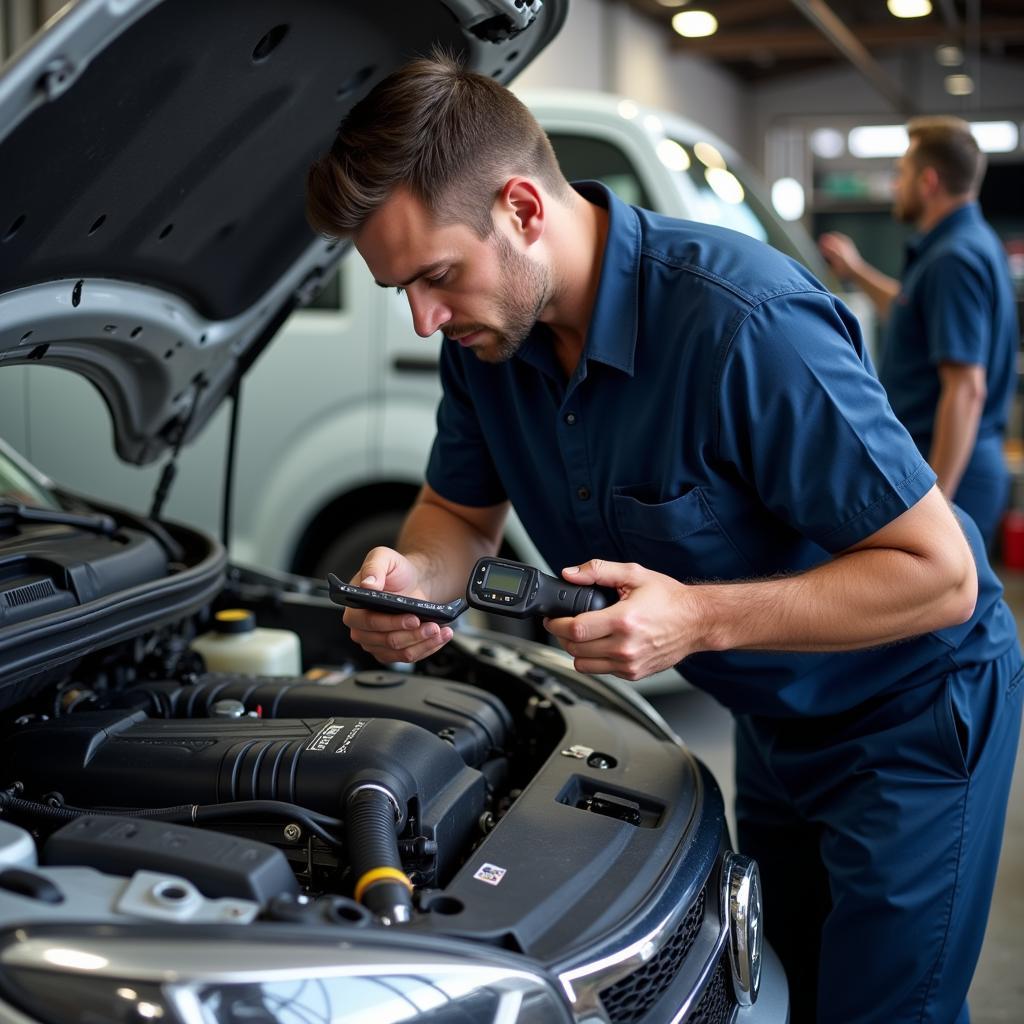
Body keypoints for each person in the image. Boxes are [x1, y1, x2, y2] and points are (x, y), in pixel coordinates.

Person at [306, 57, 1022, 1024]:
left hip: (912, 712)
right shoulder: (490, 348)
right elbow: (458, 518)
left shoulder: (745, 327)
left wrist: (697, 620)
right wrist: (413, 577)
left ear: (522, 207)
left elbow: (942, 579)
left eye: (437, 276)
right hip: (776, 710)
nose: (426, 316)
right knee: (780, 988)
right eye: (403, 290)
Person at [819, 116, 1018, 551]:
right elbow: (911, 310)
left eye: (901, 174)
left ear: (928, 181)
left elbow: (966, 389)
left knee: (938, 614)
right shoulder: (968, 242)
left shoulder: (954, 259)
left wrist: (938, 503)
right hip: (958, 459)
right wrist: (854, 271)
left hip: (952, 465)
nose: (895, 185)